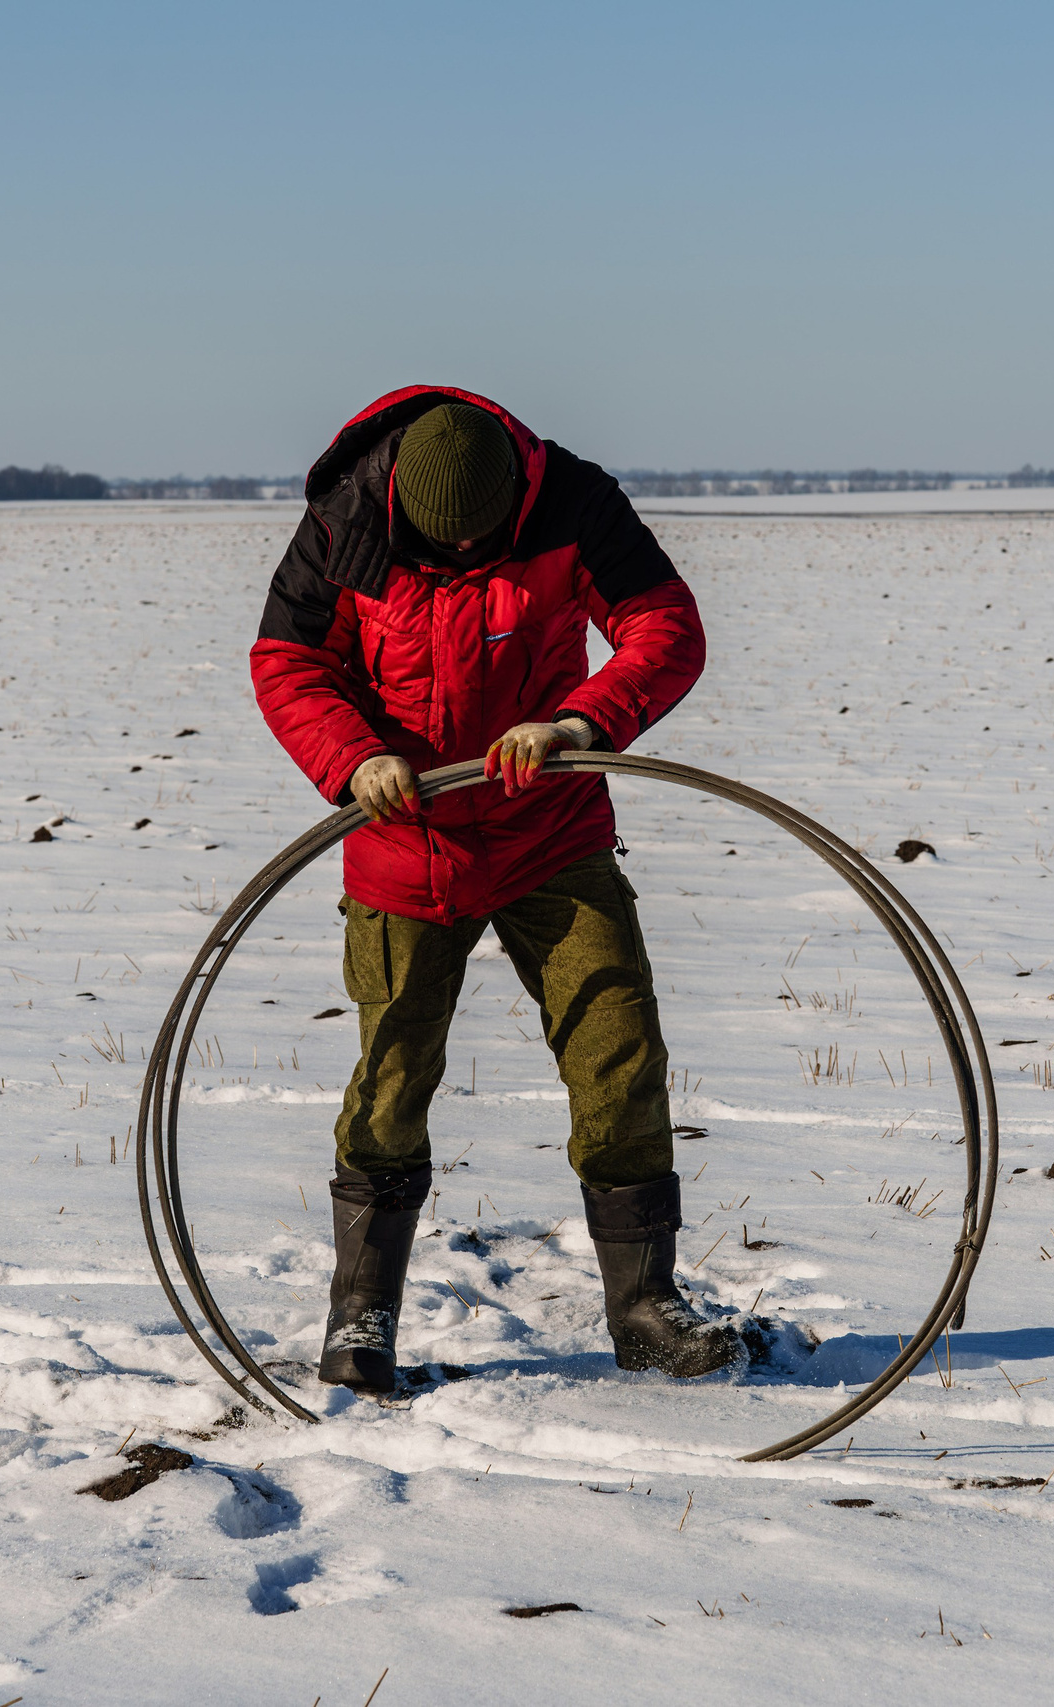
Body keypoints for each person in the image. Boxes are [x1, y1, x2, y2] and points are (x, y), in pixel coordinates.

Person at [251, 385, 740, 1393]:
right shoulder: (346, 522)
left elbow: (661, 625)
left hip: (548, 830)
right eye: (444, 552)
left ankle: (645, 1308)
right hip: (404, 838)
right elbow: (289, 662)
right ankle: (362, 1318)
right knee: (393, 1074)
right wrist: (353, 759)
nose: (466, 562)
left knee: (620, 1049)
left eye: (484, 548)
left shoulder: (571, 501)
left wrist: (577, 724)